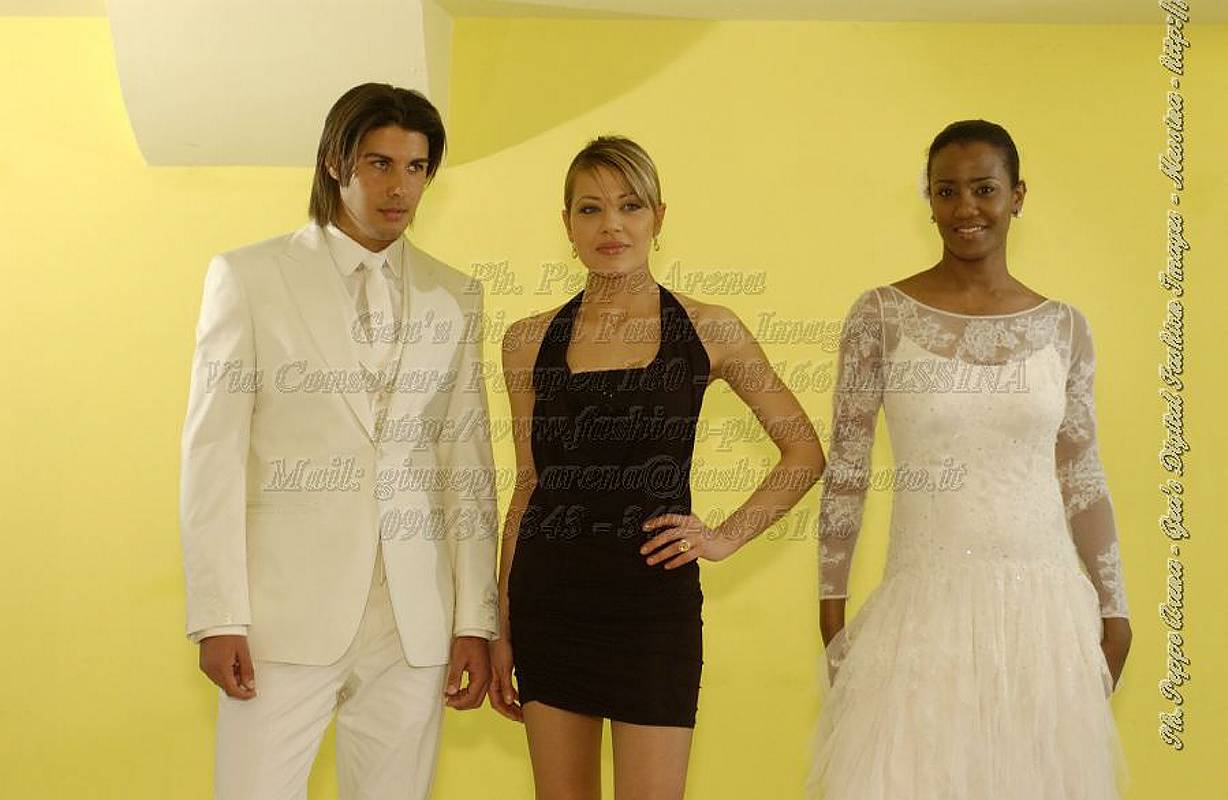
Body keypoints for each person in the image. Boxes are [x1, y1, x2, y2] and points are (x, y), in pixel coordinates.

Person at [179, 82, 499, 800]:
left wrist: (474, 620)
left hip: (414, 622)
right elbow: (212, 455)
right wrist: (217, 615)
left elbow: (467, 466)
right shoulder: (249, 277)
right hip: (282, 617)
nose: (400, 187)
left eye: (416, 168)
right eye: (379, 163)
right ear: (334, 162)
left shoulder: (456, 294)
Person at [488, 135, 826, 799]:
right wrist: (501, 626)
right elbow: (527, 485)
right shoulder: (526, 341)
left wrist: (722, 537)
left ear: (659, 217)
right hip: (548, 603)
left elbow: (804, 453)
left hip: (653, 609)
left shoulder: (710, 328)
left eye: (630, 205)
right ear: (567, 225)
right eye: (590, 209)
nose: (611, 225)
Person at [807, 119, 1131, 799]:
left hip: (1044, 619)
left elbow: (1082, 473)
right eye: (946, 190)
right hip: (922, 614)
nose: (965, 208)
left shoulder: (1065, 328)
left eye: (984, 189)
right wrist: (831, 611)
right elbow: (848, 469)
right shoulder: (880, 316)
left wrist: (1115, 608)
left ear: (1018, 196)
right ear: (927, 200)